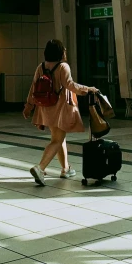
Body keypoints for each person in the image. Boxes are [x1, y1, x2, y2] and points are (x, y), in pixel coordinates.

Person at [24, 39, 97, 186]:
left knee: (59, 138)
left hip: (45, 108)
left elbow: (33, 87)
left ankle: (65, 169)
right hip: (60, 108)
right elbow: (70, 85)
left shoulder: (41, 67)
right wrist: (87, 89)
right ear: (60, 52)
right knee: (57, 140)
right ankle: (40, 168)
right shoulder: (63, 66)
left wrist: (29, 106)